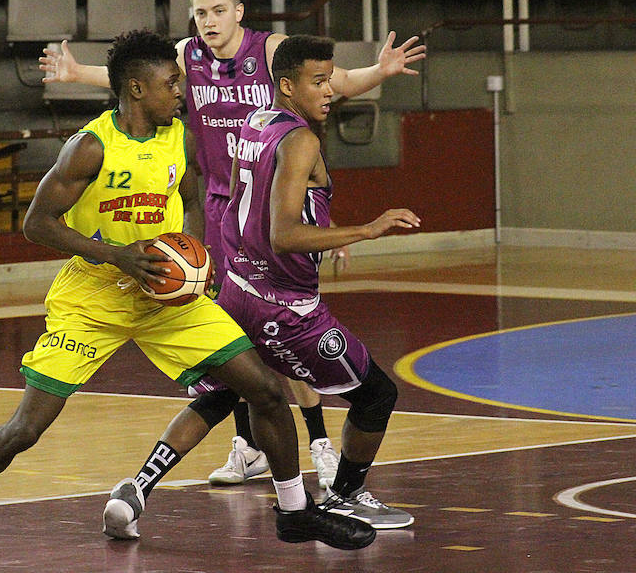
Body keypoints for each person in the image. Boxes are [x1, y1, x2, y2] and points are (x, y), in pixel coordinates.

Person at [0, 30, 376, 573]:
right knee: (26, 428)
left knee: (265, 390)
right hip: (94, 297)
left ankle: (295, 512)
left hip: (163, 292)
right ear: (136, 89)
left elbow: (192, 192)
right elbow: (36, 224)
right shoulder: (91, 146)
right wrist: (115, 256)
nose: (181, 91)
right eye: (170, 83)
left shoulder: (178, 136)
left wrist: (195, 252)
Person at [39, 0, 426, 489]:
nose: (209, 22)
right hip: (221, 207)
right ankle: (248, 447)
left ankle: (318, 442)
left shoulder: (271, 54)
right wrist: (73, 71)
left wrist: (379, 71)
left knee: (280, 322)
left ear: (239, 12)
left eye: (219, 10)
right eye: (201, 13)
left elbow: (332, 82)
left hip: (273, 207)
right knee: (239, 331)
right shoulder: (186, 56)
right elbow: (134, 79)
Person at [100, 35, 421, 541]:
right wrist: (365, 228)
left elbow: (233, 199)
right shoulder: (301, 140)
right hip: (288, 309)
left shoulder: (255, 122)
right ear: (288, 85)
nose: (330, 91)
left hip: (238, 288)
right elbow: (284, 233)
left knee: (224, 393)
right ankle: (346, 494)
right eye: (319, 82)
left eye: (331, 80)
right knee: (377, 394)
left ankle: (136, 488)